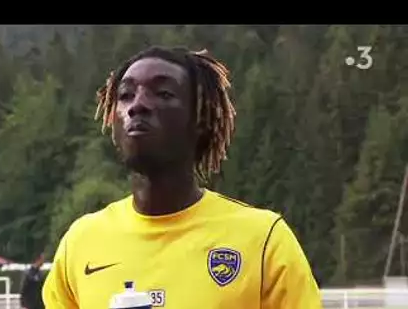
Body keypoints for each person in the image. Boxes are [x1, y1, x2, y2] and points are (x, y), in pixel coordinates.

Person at [42, 46, 321, 308]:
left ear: (200, 120)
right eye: (126, 95)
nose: (137, 105)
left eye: (163, 93)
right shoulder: (81, 243)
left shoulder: (263, 241)